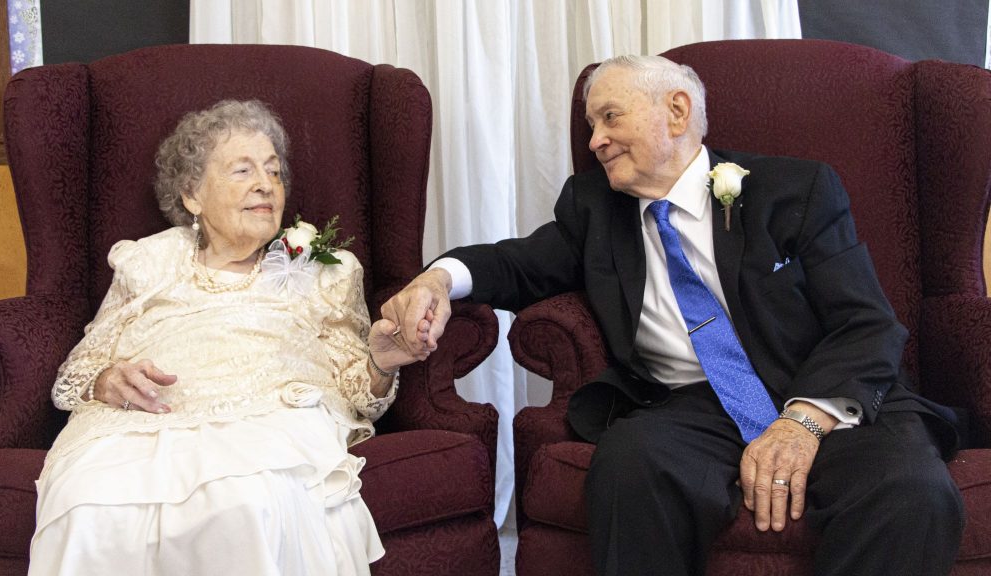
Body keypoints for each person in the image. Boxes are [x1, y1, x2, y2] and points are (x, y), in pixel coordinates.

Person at [383, 56, 965, 575]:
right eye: (591, 126)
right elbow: (517, 264)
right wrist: (438, 277)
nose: (595, 141)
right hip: (694, 407)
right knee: (629, 465)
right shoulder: (593, 210)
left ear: (678, 111)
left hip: (822, 394)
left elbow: (866, 322)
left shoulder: (796, 190)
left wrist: (802, 421)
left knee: (914, 494)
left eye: (610, 117)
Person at [29, 100, 417, 576]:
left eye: (273, 172)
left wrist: (381, 362)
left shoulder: (321, 271)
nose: (265, 184)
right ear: (192, 194)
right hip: (140, 428)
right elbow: (75, 376)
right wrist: (107, 381)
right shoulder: (148, 262)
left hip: (268, 422)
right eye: (242, 170)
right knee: (88, 503)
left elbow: (359, 394)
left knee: (246, 501)